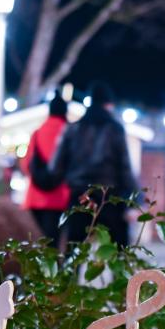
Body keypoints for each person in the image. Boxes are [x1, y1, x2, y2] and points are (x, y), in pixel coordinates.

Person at [48, 82, 140, 247]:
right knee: (118, 253)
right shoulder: (115, 129)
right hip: (110, 199)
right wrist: (133, 202)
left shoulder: (73, 128)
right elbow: (125, 168)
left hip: (79, 197)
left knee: (74, 253)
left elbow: (56, 168)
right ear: (109, 104)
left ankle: (72, 273)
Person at [22, 97, 71, 243]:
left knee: (40, 240)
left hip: (36, 197)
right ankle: (57, 265)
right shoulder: (69, 132)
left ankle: (42, 265)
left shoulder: (37, 133)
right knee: (57, 242)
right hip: (62, 197)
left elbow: (26, 164)